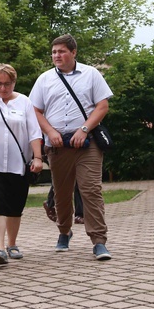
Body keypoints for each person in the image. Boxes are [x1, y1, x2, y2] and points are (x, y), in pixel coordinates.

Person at [29, 34, 114, 261]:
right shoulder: (44, 79)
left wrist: (84, 129)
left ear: (74, 52)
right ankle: (64, 231)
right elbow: (35, 111)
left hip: (87, 143)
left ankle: (98, 241)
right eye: (54, 52)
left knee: (90, 189)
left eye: (62, 51)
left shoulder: (91, 74)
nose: (57, 55)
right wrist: (50, 132)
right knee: (62, 192)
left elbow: (102, 106)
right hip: (57, 146)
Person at [0, 63, 43, 265]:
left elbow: (34, 131)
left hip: (18, 163)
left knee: (15, 206)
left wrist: (38, 157)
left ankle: (12, 243)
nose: (3, 88)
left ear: (14, 82)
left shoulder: (24, 102)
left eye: (7, 84)